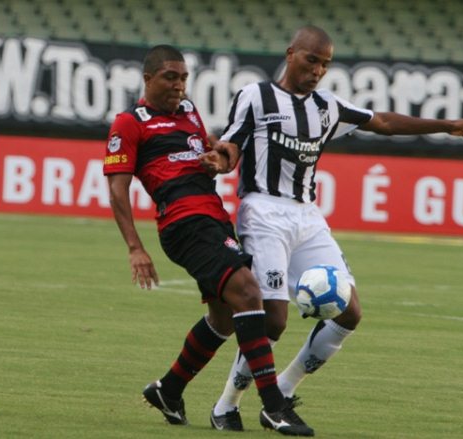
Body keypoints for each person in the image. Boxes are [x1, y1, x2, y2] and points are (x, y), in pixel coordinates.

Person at [201, 25, 463, 431]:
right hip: (264, 212)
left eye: (325, 64)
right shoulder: (256, 96)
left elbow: (383, 122)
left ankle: (282, 391)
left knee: (349, 312)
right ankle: (226, 406)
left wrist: (446, 126)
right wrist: (221, 160)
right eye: (311, 59)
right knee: (273, 321)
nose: (318, 70)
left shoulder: (327, 106)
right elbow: (231, 144)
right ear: (290, 54)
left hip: (307, 216)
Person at [103, 44, 314, 436]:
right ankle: (274, 406)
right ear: (147, 79)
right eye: (170, 77)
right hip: (184, 224)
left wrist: (214, 155)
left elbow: (205, 153)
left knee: (224, 316)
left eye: (183, 77)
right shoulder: (130, 123)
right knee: (250, 295)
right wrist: (135, 248)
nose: (179, 85)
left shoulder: (188, 112)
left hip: (214, 218)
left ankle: (169, 389)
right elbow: (117, 191)